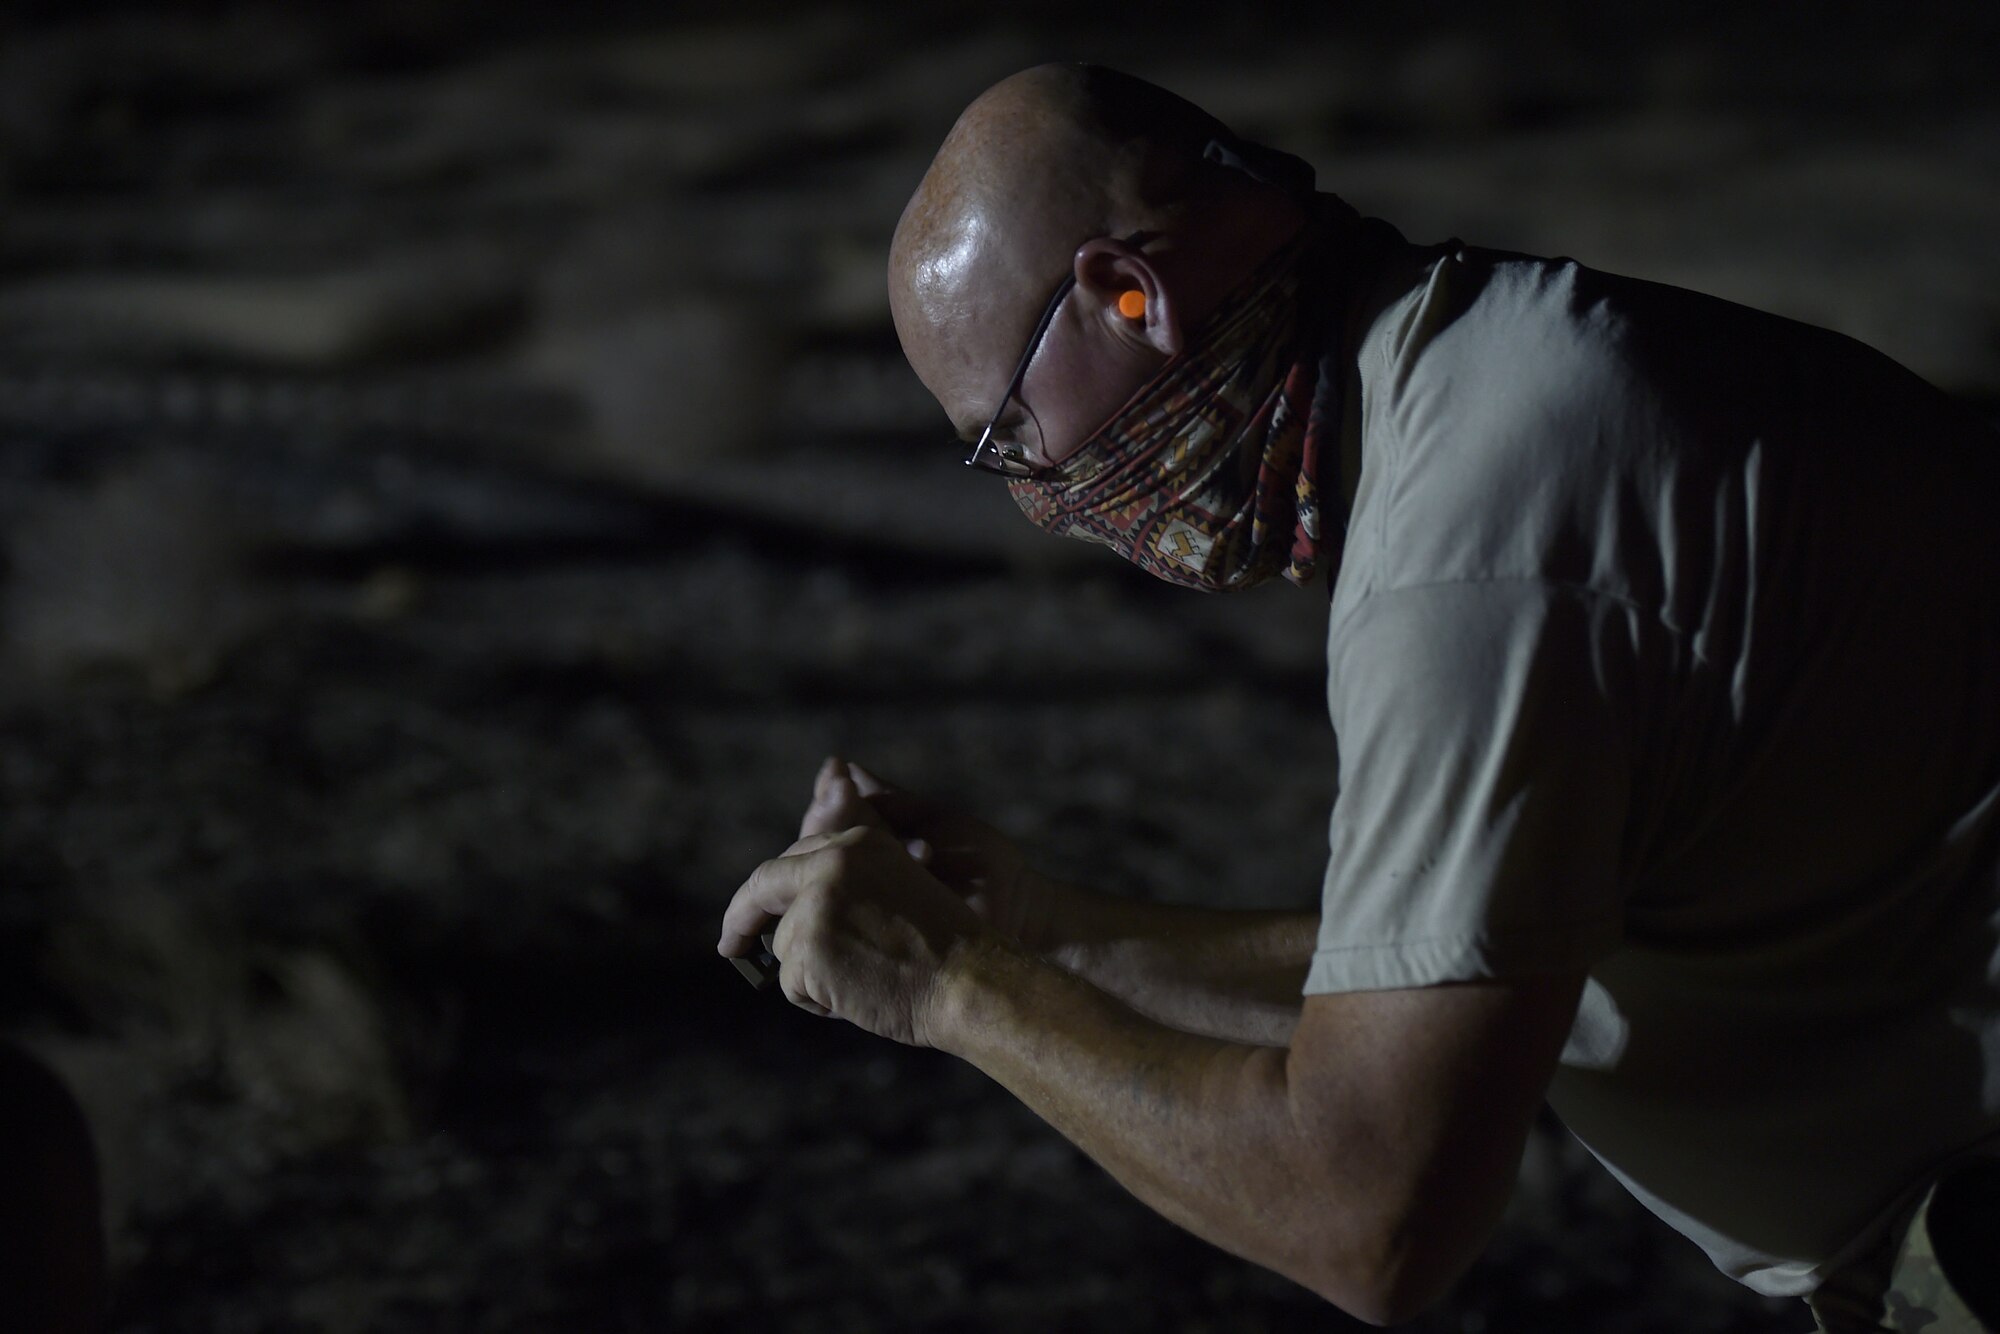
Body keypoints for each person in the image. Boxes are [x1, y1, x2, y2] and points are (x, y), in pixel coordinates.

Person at [717, 63, 2000, 1331]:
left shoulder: (1474, 553)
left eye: (1006, 437)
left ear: (1125, 294)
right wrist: (1030, 926)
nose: (1031, 500)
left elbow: (1366, 1215)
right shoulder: (1495, 371)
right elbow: (1436, 983)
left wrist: (947, 982)